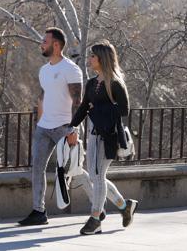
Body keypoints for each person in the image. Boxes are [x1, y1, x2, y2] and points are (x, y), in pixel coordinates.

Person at [69, 40, 138, 235]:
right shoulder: (92, 83)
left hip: (109, 136)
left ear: (102, 59)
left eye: (93, 56)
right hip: (93, 134)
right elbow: (84, 107)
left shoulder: (115, 83)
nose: (90, 59)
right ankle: (124, 206)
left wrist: (97, 109)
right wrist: (72, 126)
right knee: (95, 176)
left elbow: (124, 110)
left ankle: (95, 218)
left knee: (97, 177)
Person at [17, 27, 83, 226]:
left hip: (65, 128)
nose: (41, 44)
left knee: (75, 170)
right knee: (37, 168)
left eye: (45, 41)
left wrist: (74, 130)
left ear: (56, 45)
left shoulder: (71, 69)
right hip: (44, 129)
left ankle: (106, 203)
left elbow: (77, 102)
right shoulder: (44, 70)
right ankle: (39, 211)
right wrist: (39, 122)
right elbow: (43, 96)